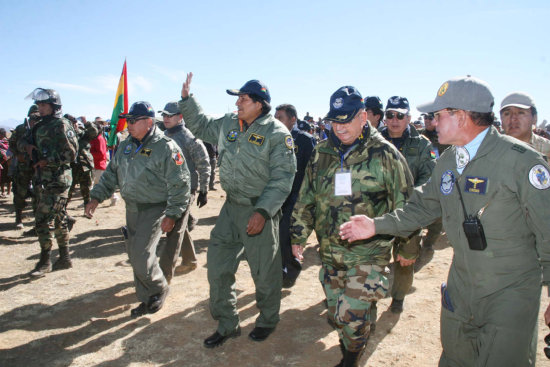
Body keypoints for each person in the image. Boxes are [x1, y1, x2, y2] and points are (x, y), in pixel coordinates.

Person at [340, 75, 550, 367]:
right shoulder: (449, 161)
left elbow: (548, 232)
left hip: (509, 292)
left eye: (438, 115)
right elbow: (420, 208)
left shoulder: (522, 162)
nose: (433, 122)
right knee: (454, 357)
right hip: (462, 286)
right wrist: (376, 225)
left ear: (462, 116)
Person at [291, 86, 413, 367]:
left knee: (350, 317)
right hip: (331, 252)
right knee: (337, 314)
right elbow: (306, 196)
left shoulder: (385, 155)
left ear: (362, 117)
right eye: (335, 121)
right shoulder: (321, 152)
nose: (340, 127)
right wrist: (298, 235)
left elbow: (406, 207)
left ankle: (352, 357)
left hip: (369, 253)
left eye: (346, 120)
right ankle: (358, 331)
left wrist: (407, 249)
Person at [179, 74, 296, 347]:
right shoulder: (229, 123)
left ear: (260, 104)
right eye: (238, 98)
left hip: (259, 211)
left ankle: (267, 320)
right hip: (231, 208)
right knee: (218, 267)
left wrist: (263, 211)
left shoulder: (277, 134)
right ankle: (228, 323)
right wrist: (187, 100)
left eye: (243, 99)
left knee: (264, 272)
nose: (238, 103)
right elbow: (199, 124)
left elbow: (282, 179)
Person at [85, 101, 190, 317]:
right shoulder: (126, 145)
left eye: (133, 120)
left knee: (141, 255)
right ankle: (147, 298)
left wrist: (172, 214)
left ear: (149, 122)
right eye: (128, 120)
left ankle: (159, 287)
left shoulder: (166, 147)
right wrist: (96, 197)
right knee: (134, 255)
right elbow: (111, 174)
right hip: (132, 208)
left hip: (155, 208)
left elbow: (181, 184)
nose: (129, 124)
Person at [380, 96, 436, 313]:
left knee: (406, 258)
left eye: (400, 115)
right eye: (390, 115)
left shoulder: (422, 144)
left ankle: (398, 297)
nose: (394, 120)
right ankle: (371, 297)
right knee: (373, 258)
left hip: (409, 212)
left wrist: (412, 200)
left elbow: (429, 177)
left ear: (409, 118)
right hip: (378, 212)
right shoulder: (373, 140)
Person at [20, 88, 79, 277]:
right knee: (59, 218)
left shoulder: (61, 125)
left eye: (44, 105)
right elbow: (21, 142)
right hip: (42, 179)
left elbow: (71, 154)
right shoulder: (38, 126)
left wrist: (48, 160)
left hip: (59, 179)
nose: (40, 108)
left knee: (41, 218)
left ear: (54, 106)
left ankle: (45, 260)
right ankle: (64, 257)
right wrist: (28, 147)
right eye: (38, 104)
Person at [159, 101, 211, 277]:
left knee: (174, 230)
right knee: (180, 226)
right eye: (164, 115)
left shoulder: (189, 137)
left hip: (185, 189)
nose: (165, 118)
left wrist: (203, 189)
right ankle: (190, 260)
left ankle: (165, 273)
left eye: (169, 115)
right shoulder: (163, 135)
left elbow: (204, 163)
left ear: (180, 117)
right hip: (168, 189)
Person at [274, 103, 316, 288]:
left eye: (280, 118)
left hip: (296, 198)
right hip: (276, 197)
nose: (276, 121)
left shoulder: (305, 140)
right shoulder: (273, 138)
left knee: (288, 235)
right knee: (276, 237)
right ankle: (281, 268)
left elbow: (312, 170)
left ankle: (291, 271)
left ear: (293, 120)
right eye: (275, 118)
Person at [10, 105, 40, 228]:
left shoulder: (42, 129)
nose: (35, 117)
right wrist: (17, 155)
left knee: (38, 194)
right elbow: (12, 143)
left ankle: (37, 221)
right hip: (23, 166)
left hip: (37, 166)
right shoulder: (21, 129)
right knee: (20, 193)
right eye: (33, 115)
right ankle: (18, 218)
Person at [500, 92, 550, 160]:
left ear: (534, 118)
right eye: (507, 114)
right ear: (501, 121)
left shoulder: (547, 149)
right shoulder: (489, 148)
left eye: (521, 113)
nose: (513, 118)